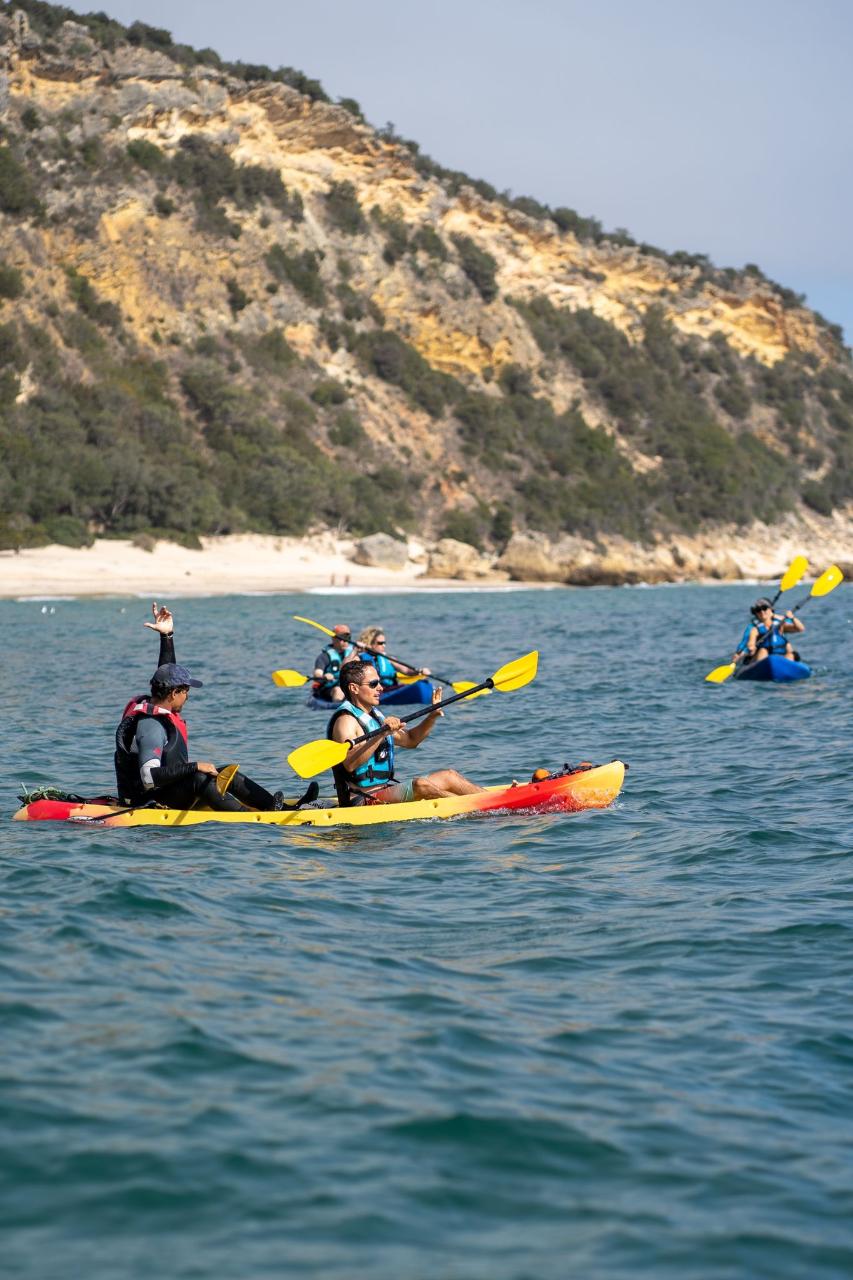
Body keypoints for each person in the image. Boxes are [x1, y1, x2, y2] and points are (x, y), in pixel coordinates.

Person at [115, 603, 314, 812]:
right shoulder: (150, 726)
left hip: (170, 791)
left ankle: (280, 809)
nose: (187, 697)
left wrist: (167, 637)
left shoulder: (161, 703)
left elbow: (167, 672)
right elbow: (148, 778)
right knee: (201, 778)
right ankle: (246, 817)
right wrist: (195, 766)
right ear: (173, 694)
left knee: (229, 775)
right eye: (185, 692)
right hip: (149, 802)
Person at [327, 658, 479, 807]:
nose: (380, 687)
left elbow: (412, 740)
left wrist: (432, 716)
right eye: (374, 684)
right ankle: (475, 807)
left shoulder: (373, 716)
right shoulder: (345, 721)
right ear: (354, 688)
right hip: (360, 801)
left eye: (379, 682)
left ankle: (491, 800)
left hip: (384, 790)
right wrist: (381, 734)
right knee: (420, 785)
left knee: (449, 776)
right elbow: (350, 764)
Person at [355, 626, 430, 691]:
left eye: (384, 643)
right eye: (380, 643)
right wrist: (354, 650)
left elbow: (406, 670)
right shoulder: (359, 658)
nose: (384, 646)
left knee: (422, 683)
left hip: (390, 689)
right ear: (370, 643)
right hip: (375, 690)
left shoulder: (388, 659)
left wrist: (419, 671)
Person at [733, 597, 805, 665]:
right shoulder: (754, 628)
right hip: (762, 657)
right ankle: (763, 666)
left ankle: (788, 666)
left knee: (790, 652)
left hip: (781, 655)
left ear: (771, 610)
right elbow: (749, 643)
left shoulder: (780, 624)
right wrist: (747, 649)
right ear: (756, 613)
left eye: (764, 608)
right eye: (758, 610)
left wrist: (793, 618)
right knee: (763, 651)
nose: (762, 612)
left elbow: (800, 628)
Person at [311, 623, 356, 703]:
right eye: (342, 638)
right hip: (329, 688)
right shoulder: (324, 657)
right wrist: (324, 676)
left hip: (347, 686)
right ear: (334, 639)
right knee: (338, 690)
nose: (345, 641)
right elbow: (317, 673)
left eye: (348, 638)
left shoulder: (353, 654)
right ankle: (339, 710)